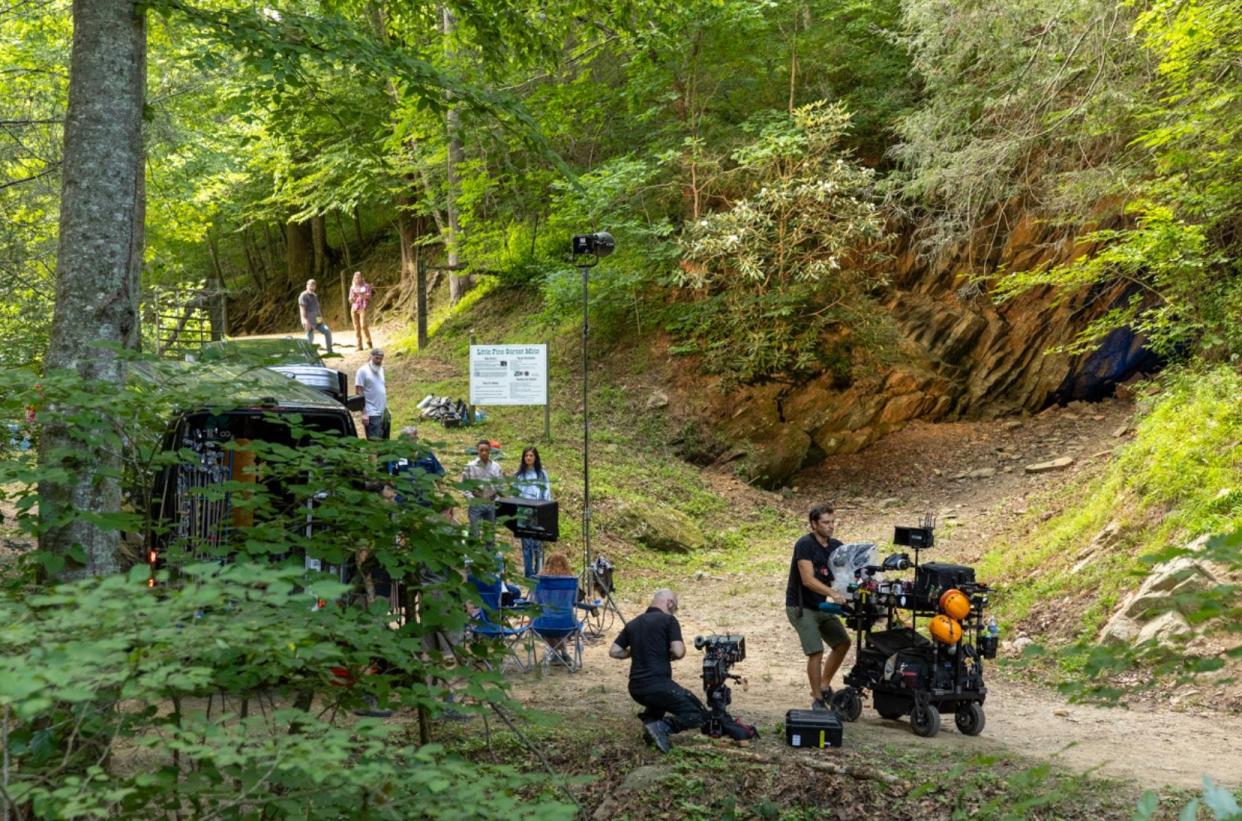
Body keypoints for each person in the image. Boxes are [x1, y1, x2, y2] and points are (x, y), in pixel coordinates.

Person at [609, 589, 707, 753]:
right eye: (675, 607)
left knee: (660, 701)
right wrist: (669, 654)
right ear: (669, 603)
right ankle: (662, 727)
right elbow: (678, 651)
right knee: (697, 714)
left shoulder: (633, 623)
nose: (675, 610)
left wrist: (634, 652)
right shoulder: (668, 620)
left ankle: (650, 724)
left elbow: (614, 651)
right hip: (658, 685)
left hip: (636, 688)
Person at [785, 503, 852, 711]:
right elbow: (807, 579)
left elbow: (847, 573)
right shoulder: (804, 545)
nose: (830, 526)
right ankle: (817, 698)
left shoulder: (836, 546)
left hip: (821, 605)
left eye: (832, 522)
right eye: (825, 522)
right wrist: (832, 593)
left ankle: (824, 684)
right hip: (801, 606)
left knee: (842, 643)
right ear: (814, 524)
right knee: (815, 651)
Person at [512, 446, 552, 578]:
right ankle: (528, 574)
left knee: (538, 545)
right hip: (523, 513)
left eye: (531, 455)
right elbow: (514, 494)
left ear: (535, 458)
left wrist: (544, 508)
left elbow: (546, 491)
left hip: (538, 512)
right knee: (526, 546)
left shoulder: (541, 474)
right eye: (526, 456)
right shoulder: (518, 475)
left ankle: (539, 573)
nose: (528, 458)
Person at [461, 439, 503, 550]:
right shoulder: (470, 466)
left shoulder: (496, 467)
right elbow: (465, 486)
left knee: (490, 534)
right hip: (476, 502)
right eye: (481, 450)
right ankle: (473, 557)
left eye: (486, 450)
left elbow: (500, 487)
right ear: (477, 451)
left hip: (491, 502)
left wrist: (496, 500)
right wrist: (471, 499)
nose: (484, 452)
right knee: (474, 532)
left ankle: (489, 558)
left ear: (490, 451)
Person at [355, 348, 390, 440]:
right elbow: (359, 391)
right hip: (371, 412)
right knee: (374, 443)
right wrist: (364, 413)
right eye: (376, 358)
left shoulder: (381, 369)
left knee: (385, 443)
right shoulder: (362, 371)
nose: (378, 361)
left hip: (383, 411)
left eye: (381, 359)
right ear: (371, 357)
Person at [298, 278, 333, 353]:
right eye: (310, 285)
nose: (312, 287)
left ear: (315, 287)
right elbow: (302, 309)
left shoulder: (314, 295)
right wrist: (305, 321)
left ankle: (330, 351)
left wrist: (320, 319)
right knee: (310, 337)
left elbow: (317, 308)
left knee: (327, 331)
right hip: (308, 321)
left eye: (313, 286)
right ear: (307, 286)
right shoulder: (303, 296)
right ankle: (306, 354)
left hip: (317, 319)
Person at [348, 271, 374, 351]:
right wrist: (352, 298)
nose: (357, 279)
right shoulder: (352, 287)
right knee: (356, 327)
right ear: (354, 279)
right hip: (354, 308)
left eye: (358, 277)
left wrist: (362, 295)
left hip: (363, 308)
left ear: (361, 278)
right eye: (355, 277)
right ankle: (359, 346)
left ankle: (369, 342)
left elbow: (369, 297)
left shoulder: (366, 286)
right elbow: (350, 300)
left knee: (363, 325)